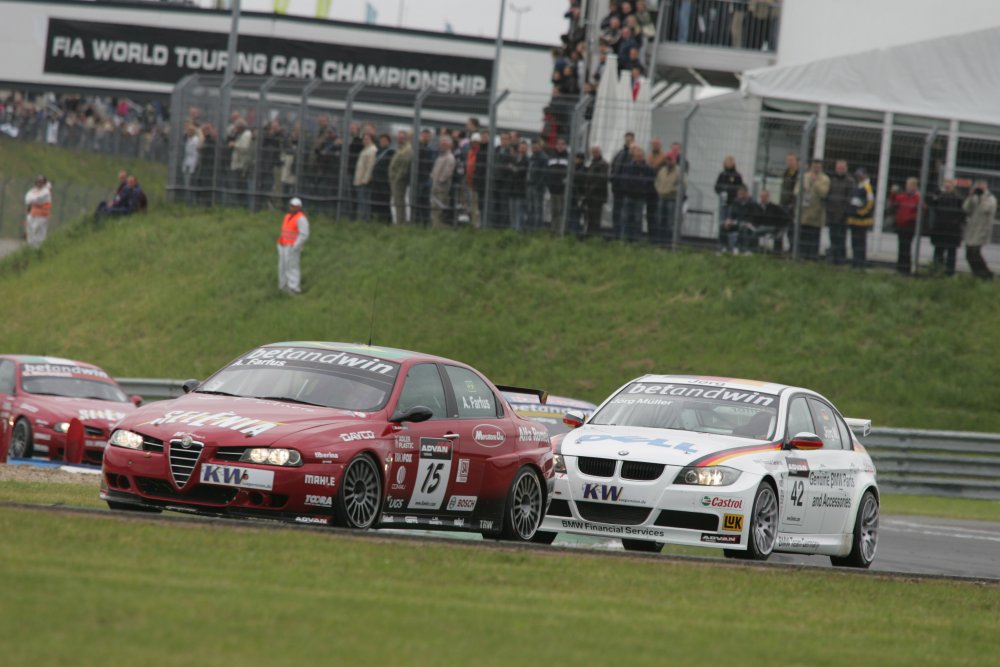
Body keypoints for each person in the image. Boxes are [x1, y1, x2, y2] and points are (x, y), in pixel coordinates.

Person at [928, 179, 964, 276]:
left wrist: (955, 222)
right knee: (938, 251)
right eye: (945, 183)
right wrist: (935, 195)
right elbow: (931, 205)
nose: (947, 185)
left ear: (953, 185)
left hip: (952, 230)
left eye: (949, 184)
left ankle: (949, 273)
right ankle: (936, 270)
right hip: (940, 228)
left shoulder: (958, 198)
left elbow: (962, 214)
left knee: (951, 252)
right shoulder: (939, 196)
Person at [796, 159, 829, 260]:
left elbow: (824, 193)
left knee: (814, 236)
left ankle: (812, 257)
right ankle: (802, 256)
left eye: (818, 167)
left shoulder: (824, 179)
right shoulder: (804, 176)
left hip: (816, 213)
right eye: (814, 166)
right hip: (804, 212)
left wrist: (816, 183)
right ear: (811, 166)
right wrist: (802, 190)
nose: (816, 169)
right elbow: (796, 191)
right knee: (803, 235)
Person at [962, 180, 996, 280]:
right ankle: (977, 273)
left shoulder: (990, 198)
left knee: (975, 253)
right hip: (972, 229)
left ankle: (985, 274)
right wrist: (971, 196)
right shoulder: (974, 197)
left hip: (982, 230)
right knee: (968, 254)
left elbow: (987, 209)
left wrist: (982, 197)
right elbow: (966, 208)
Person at [276, 197, 310, 295]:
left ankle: (294, 288)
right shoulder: (287, 216)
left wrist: (296, 246)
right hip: (283, 244)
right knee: (282, 266)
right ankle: (283, 286)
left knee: (292, 266)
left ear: (299, 207)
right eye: (291, 206)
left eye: (294, 206)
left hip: (292, 246)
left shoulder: (301, 218)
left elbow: (304, 234)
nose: (292, 208)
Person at [621, 146, 654, 242]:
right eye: (636, 156)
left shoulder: (647, 168)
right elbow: (624, 179)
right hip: (628, 195)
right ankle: (624, 239)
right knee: (625, 218)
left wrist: (643, 190)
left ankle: (636, 240)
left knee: (637, 219)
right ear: (633, 157)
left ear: (643, 157)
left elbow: (650, 182)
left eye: (640, 156)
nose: (638, 158)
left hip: (640, 197)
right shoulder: (628, 167)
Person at [889, 177, 921, 275]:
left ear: (915, 187)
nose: (907, 187)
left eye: (910, 185)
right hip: (900, 225)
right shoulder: (902, 196)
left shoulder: (917, 198)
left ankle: (906, 268)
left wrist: (910, 218)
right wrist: (893, 194)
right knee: (901, 247)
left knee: (906, 247)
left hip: (910, 226)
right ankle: (900, 268)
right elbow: (893, 202)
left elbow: (920, 211)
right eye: (907, 185)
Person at [826, 160, 854, 263]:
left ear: (846, 168)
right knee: (832, 237)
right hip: (831, 214)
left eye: (842, 168)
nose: (840, 169)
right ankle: (833, 258)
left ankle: (841, 259)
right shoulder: (832, 180)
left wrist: (844, 213)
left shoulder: (849, 181)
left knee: (841, 238)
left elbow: (849, 199)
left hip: (842, 216)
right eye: (838, 168)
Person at [847, 168, 875, 269]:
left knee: (860, 243)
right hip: (854, 220)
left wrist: (861, 212)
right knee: (854, 242)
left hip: (862, 221)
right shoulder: (858, 185)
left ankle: (860, 263)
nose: (859, 177)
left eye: (860, 175)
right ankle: (855, 262)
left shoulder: (867, 187)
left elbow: (870, 203)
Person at [721, 185, 761, 254]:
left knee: (744, 227)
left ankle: (740, 248)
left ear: (746, 193)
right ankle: (725, 247)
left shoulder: (753, 203)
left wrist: (737, 222)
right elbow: (732, 215)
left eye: (741, 194)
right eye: (738, 194)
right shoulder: (735, 202)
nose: (739, 196)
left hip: (748, 224)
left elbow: (753, 218)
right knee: (723, 226)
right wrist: (728, 221)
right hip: (736, 223)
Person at [653, 152, 683, 245]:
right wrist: (659, 189)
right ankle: (659, 242)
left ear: (674, 160)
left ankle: (670, 243)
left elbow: (683, 185)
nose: (668, 161)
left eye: (670, 159)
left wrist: (671, 190)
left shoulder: (679, 171)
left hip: (672, 199)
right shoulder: (662, 170)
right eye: (667, 159)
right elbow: (657, 181)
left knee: (670, 222)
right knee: (660, 220)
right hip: (661, 198)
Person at [611, 132, 635, 237]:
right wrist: (612, 179)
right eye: (627, 140)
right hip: (617, 188)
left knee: (625, 213)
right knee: (616, 212)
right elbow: (614, 167)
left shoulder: (635, 155)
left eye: (630, 140)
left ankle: (624, 235)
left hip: (628, 190)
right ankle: (616, 233)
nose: (628, 142)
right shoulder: (620, 153)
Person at [430, 136, 456, 229]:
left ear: (449, 145)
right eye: (441, 143)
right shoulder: (440, 156)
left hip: (442, 189)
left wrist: (440, 181)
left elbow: (447, 173)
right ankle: (435, 226)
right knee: (434, 209)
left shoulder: (450, 157)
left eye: (444, 143)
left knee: (439, 210)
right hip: (435, 187)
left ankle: (438, 228)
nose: (442, 145)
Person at [584, 145, 609, 238]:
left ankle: (594, 235)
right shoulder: (592, 163)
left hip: (597, 196)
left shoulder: (603, 164)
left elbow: (601, 180)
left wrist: (591, 189)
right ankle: (590, 234)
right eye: (593, 152)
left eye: (596, 152)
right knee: (590, 216)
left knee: (595, 217)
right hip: (590, 195)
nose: (594, 154)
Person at [545, 137, 571, 230]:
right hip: (553, 189)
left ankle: (560, 230)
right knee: (554, 210)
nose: (560, 146)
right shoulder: (552, 156)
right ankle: (553, 230)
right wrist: (549, 184)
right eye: (558, 144)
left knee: (561, 211)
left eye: (562, 144)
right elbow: (547, 171)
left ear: (566, 146)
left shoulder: (568, 158)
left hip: (563, 190)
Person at [389, 130, 412, 225]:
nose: (400, 139)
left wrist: (397, 178)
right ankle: (399, 221)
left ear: (406, 139)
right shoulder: (400, 148)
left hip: (400, 181)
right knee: (397, 202)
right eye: (399, 137)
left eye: (402, 137)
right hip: (395, 180)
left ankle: (400, 222)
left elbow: (404, 166)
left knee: (399, 202)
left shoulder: (407, 149)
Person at [371, 133, 395, 223]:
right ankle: (378, 220)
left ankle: (388, 221)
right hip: (376, 181)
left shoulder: (391, 152)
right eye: (381, 141)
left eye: (385, 141)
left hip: (385, 182)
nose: (382, 142)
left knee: (385, 203)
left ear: (388, 142)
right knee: (376, 202)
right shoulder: (378, 152)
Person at [526, 140, 549, 230]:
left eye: (536, 146)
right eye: (533, 146)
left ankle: (536, 228)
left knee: (537, 208)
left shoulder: (543, 157)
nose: (534, 147)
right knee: (530, 207)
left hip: (537, 187)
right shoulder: (533, 156)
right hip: (530, 185)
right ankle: (530, 227)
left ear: (540, 146)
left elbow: (544, 174)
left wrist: (538, 185)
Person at [24, 175, 52, 249]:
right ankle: (30, 248)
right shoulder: (33, 190)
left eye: (41, 182)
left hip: (42, 216)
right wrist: (32, 200)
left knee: (38, 232)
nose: (39, 183)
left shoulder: (46, 192)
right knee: (31, 232)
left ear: (44, 183)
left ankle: (38, 249)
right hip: (32, 214)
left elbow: (39, 200)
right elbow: (27, 199)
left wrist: (32, 200)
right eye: (38, 181)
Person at [353, 133, 376, 221]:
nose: (365, 140)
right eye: (364, 139)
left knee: (363, 202)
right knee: (361, 201)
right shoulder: (366, 149)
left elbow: (370, 166)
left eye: (367, 139)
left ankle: (363, 219)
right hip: (360, 179)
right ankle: (362, 219)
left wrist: (365, 180)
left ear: (371, 139)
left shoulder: (372, 150)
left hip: (364, 180)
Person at [714, 156, 744, 224]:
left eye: (731, 162)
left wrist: (735, 194)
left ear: (733, 164)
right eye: (727, 162)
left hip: (733, 201)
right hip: (723, 201)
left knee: (731, 219)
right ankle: (721, 232)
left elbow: (741, 188)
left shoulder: (737, 175)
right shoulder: (722, 174)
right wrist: (721, 192)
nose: (729, 163)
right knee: (722, 219)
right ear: (725, 163)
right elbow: (716, 187)